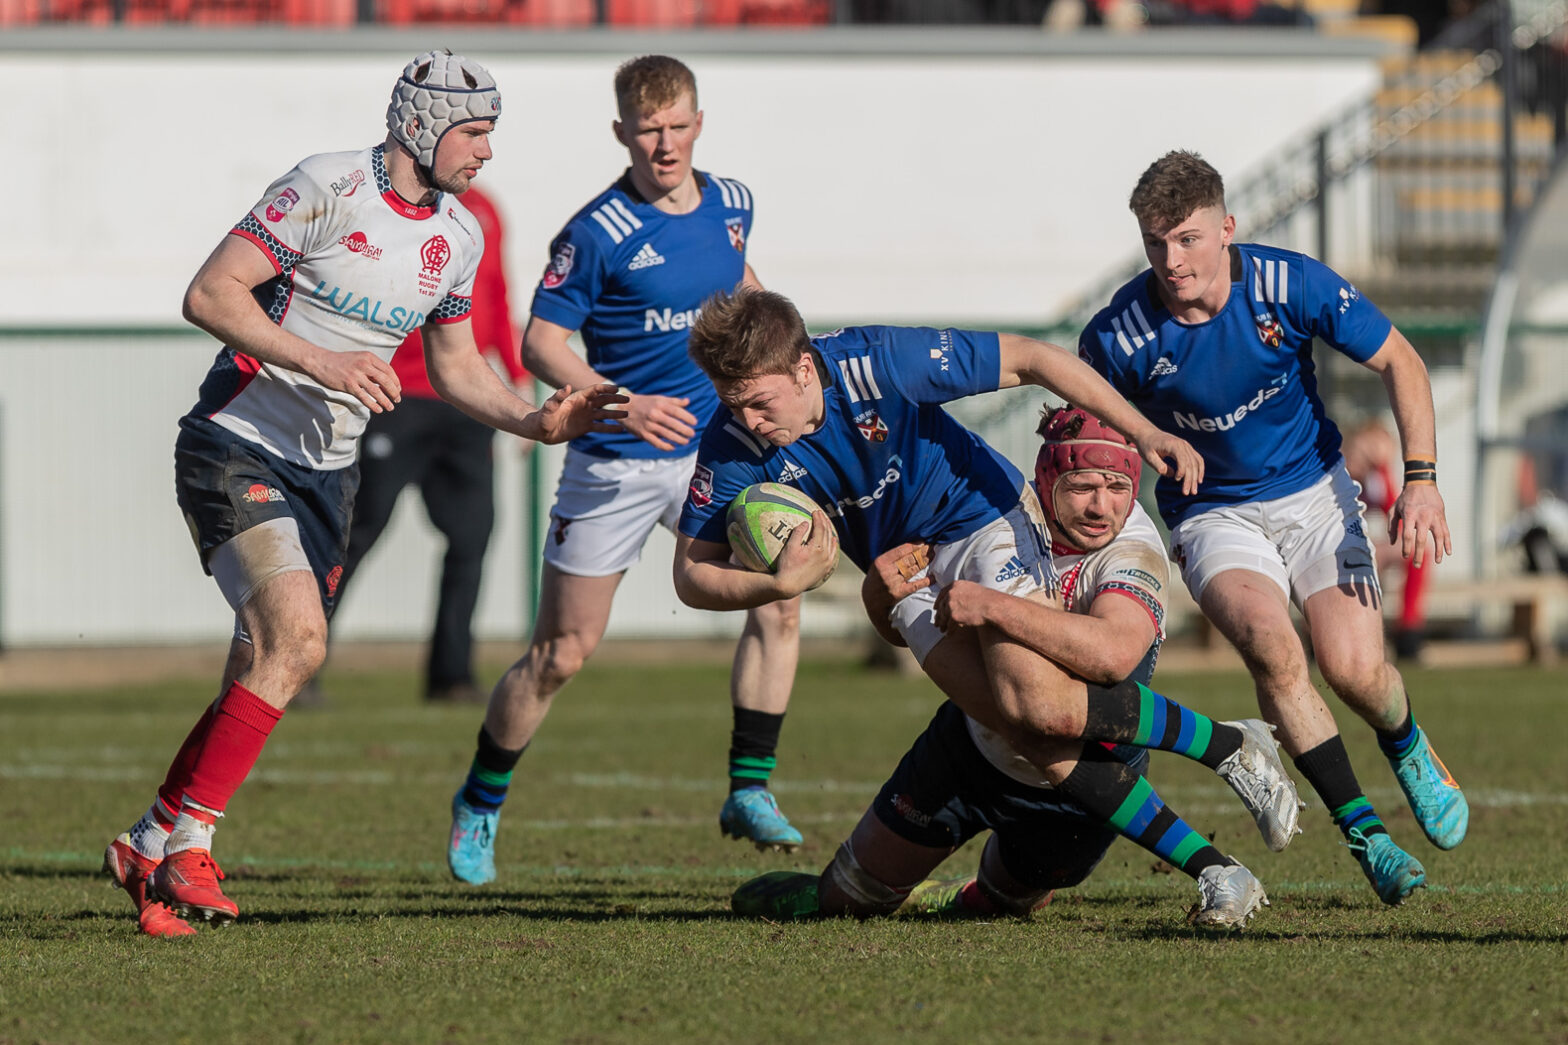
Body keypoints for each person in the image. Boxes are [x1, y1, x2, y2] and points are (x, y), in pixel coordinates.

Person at [99, 50, 624, 938]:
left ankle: (149, 838)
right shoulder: (323, 187)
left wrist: (534, 421)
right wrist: (322, 359)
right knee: (297, 639)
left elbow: (457, 367)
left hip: (328, 474)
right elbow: (210, 292)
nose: (487, 151)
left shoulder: (459, 235)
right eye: (474, 131)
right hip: (238, 444)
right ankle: (190, 844)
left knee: (262, 663)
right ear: (419, 125)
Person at [673, 286, 1304, 928]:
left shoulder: (876, 361)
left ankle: (1225, 781)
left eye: (758, 401)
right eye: (734, 404)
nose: (749, 421)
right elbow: (692, 576)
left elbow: (1033, 358)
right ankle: (1222, 813)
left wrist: (1143, 432)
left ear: (804, 368)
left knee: (1035, 705)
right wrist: (778, 586)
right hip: (907, 581)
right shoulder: (734, 446)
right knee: (1007, 731)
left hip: (979, 521)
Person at [444, 54, 807, 886]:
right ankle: (481, 797)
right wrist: (623, 399)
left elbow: (739, 286)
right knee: (562, 653)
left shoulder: (733, 204)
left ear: (699, 123)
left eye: (678, 125)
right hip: (614, 461)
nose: (665, 142)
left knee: (781, 595)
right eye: (648, 129)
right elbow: (541, 342)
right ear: (622, 134)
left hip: (713, 451)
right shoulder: (595, 233)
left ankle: (750, 787)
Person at [1076, 150, 1468, 907]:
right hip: (1212, 511)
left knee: (1354, 671)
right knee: (1272, 646)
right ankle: (1367, 836)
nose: (1171, 259)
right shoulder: (1120, 336)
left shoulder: (1288, 284)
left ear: (1227, 229)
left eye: (1188, 238)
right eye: (1156, 242)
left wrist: (1420, 480)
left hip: (1316, 492)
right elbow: (1083, 436)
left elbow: (1402, 361)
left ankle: (1407, 742)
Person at [732, 407, 1204, 923]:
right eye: (1082, 486)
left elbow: (1111, 657)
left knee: (1004, 900)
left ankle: (974, 891)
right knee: (850, 898)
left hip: (1079, 780)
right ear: (1046, 478)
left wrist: (992, 605)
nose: (1100, 506)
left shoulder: (1134, 549)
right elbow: (911, 627)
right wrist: (878, 596)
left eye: (1117, 488)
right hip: (969, 747)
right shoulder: (987, 520)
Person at [329, 184, 530, 705]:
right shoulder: (381, 205)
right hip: (397, 396)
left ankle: (452, 676)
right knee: (355, 535)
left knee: (471, 539)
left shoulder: (483, 209)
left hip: (466, 403)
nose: (476, 149)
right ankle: (296, 660)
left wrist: (517, 377)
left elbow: (497, 292)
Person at [1342, 417, 1431, 661]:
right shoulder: (1338, 473)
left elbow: (1396, 514)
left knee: (1417, 549)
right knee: (1362, 558)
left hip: (1365, 544)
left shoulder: (1375, 478)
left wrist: (1381, 470)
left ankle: (1409, 630)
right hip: (1332, 545)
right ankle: (1337, 638)